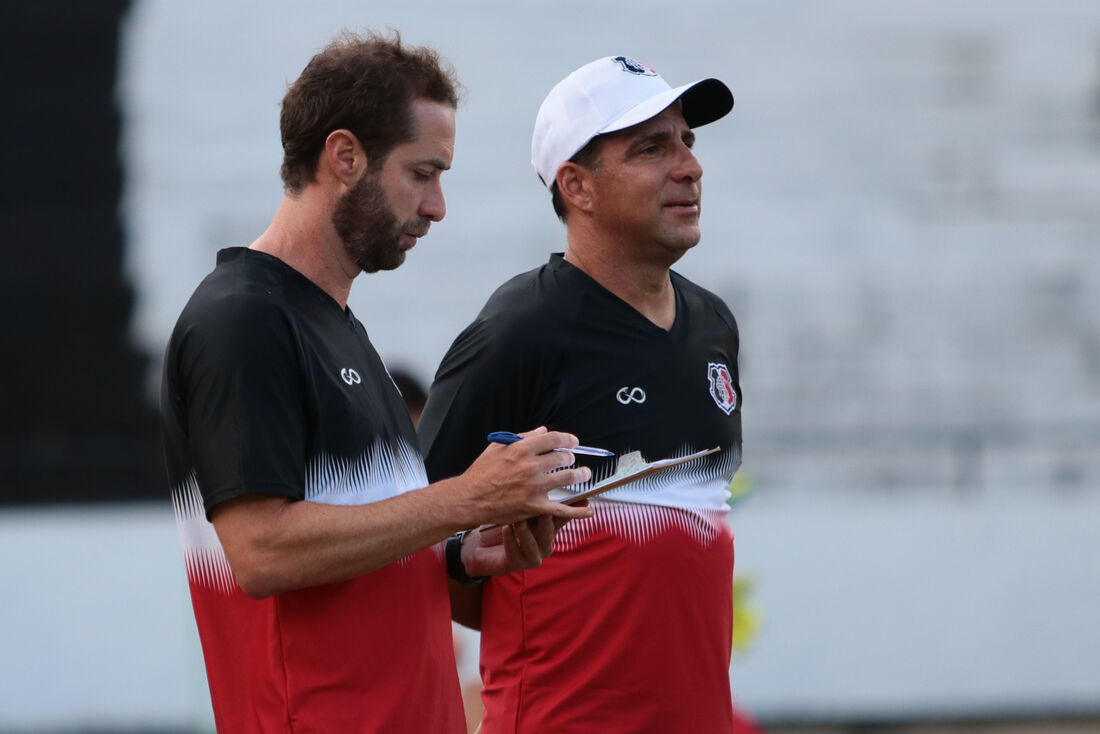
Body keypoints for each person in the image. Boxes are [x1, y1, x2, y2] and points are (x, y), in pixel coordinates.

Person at [160, 31, 592, 734]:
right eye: (422, 173)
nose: (437, 206)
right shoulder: (242, 317)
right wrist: (462, 499)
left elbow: (357, 538)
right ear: (345, 156)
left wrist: (457, 552)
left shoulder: (337, 326)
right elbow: (261, 552)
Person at [419, 54, 742, 732]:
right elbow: (407, 534)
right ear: (578, 186)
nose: (689, 166)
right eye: (651, 148)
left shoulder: (714, 327)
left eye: (688, 141)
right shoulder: (520, 329)